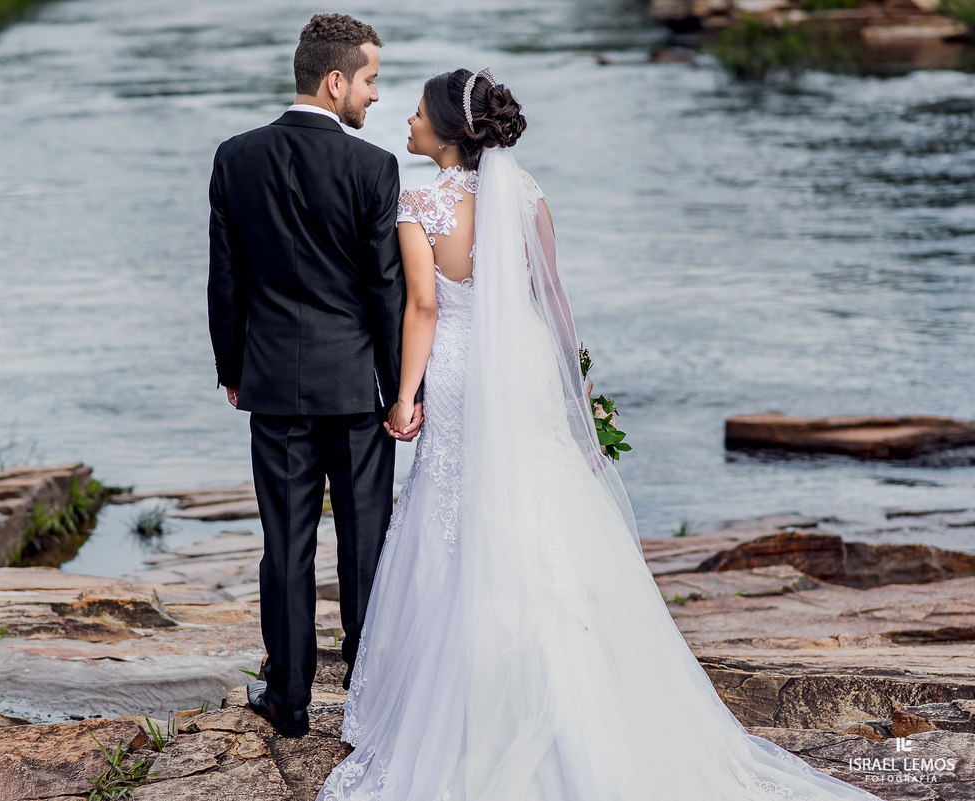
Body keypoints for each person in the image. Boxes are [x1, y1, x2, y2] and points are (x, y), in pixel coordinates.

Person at [316, 68, 884, 801]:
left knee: (451, 506)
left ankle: (465, 701)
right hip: (524, 363)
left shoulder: (418, 204)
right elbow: (552, 296)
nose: (409, 122)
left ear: (448, 131)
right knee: (543, 501)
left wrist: (402, 397)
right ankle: (587, 683)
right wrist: (572, 386)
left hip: (459, 370)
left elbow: (422, 308)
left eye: (419, 113)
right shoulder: (526, 194)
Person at [207, 13, 423, 739]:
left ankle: (289, 698)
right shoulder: (373, 168)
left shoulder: (236, 157)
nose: (375, 96)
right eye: (370, 81)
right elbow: (386, 291)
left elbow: (226, 278)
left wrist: (233, 368)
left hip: (273, 385)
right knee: (365, 544)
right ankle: (369, 695)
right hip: (358, 391)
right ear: (335, 82)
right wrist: (401, 391)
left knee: (286, 544)